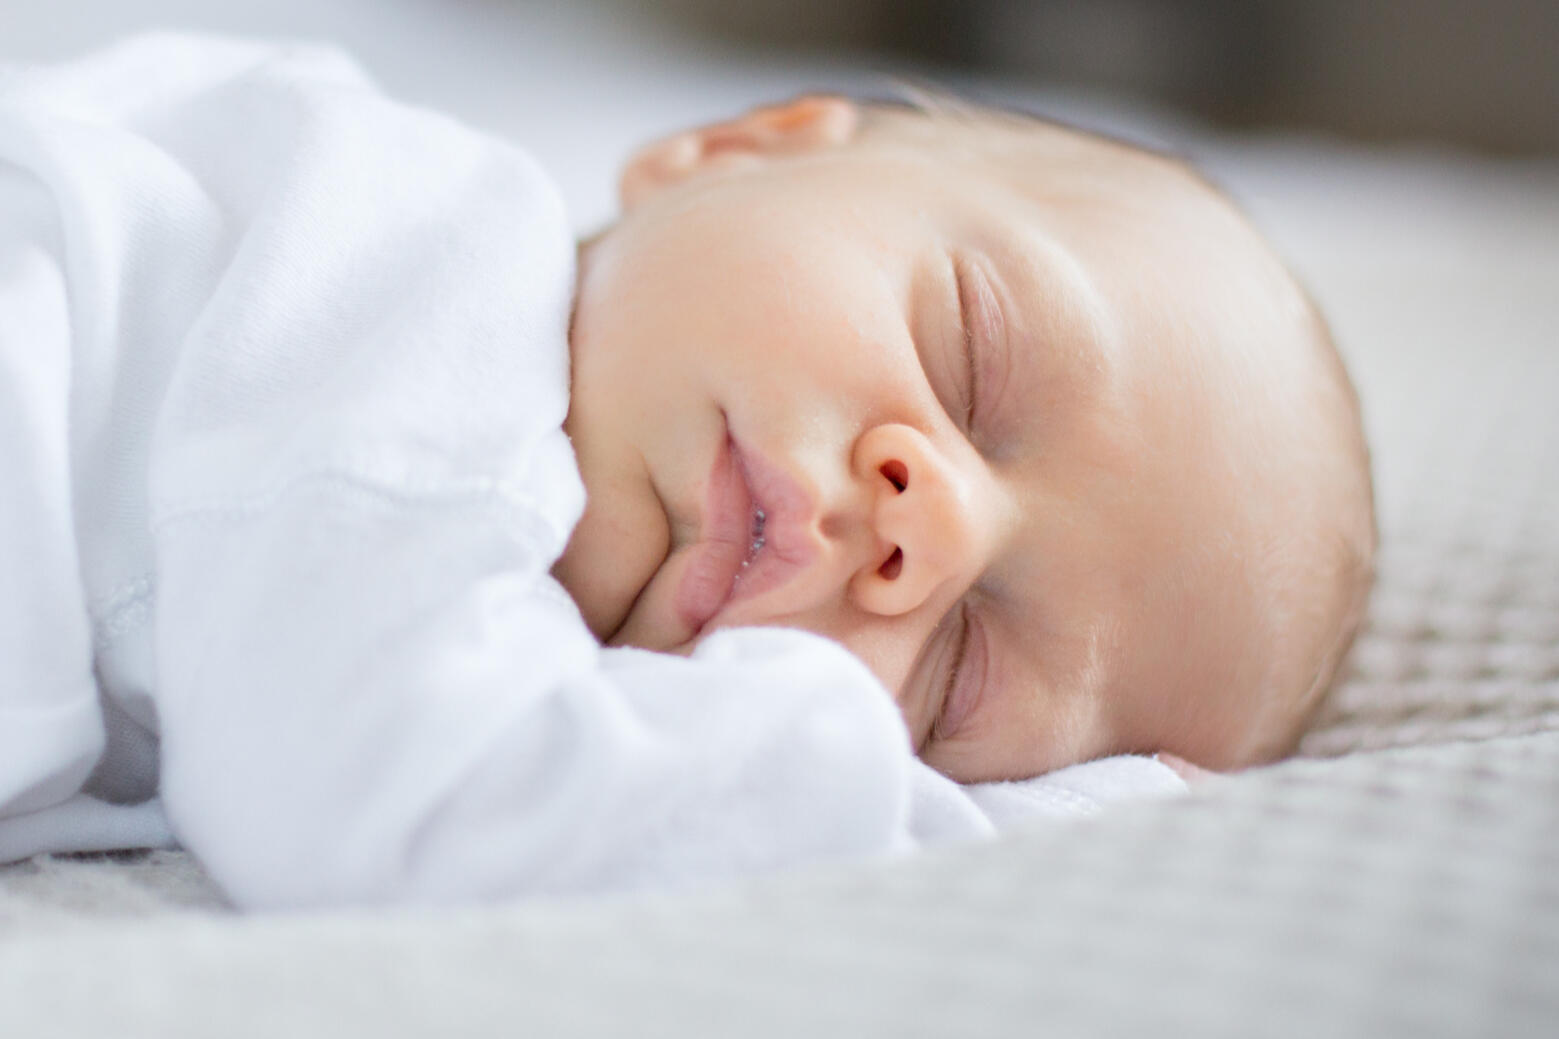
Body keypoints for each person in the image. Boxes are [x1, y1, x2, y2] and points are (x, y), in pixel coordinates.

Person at [0, 35, 1372, 908]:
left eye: (959, 674)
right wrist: (1073, 831)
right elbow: (402, 806)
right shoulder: (420, 270)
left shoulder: (412, 577)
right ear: (736, 150)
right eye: (973, 360)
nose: (930, 530)